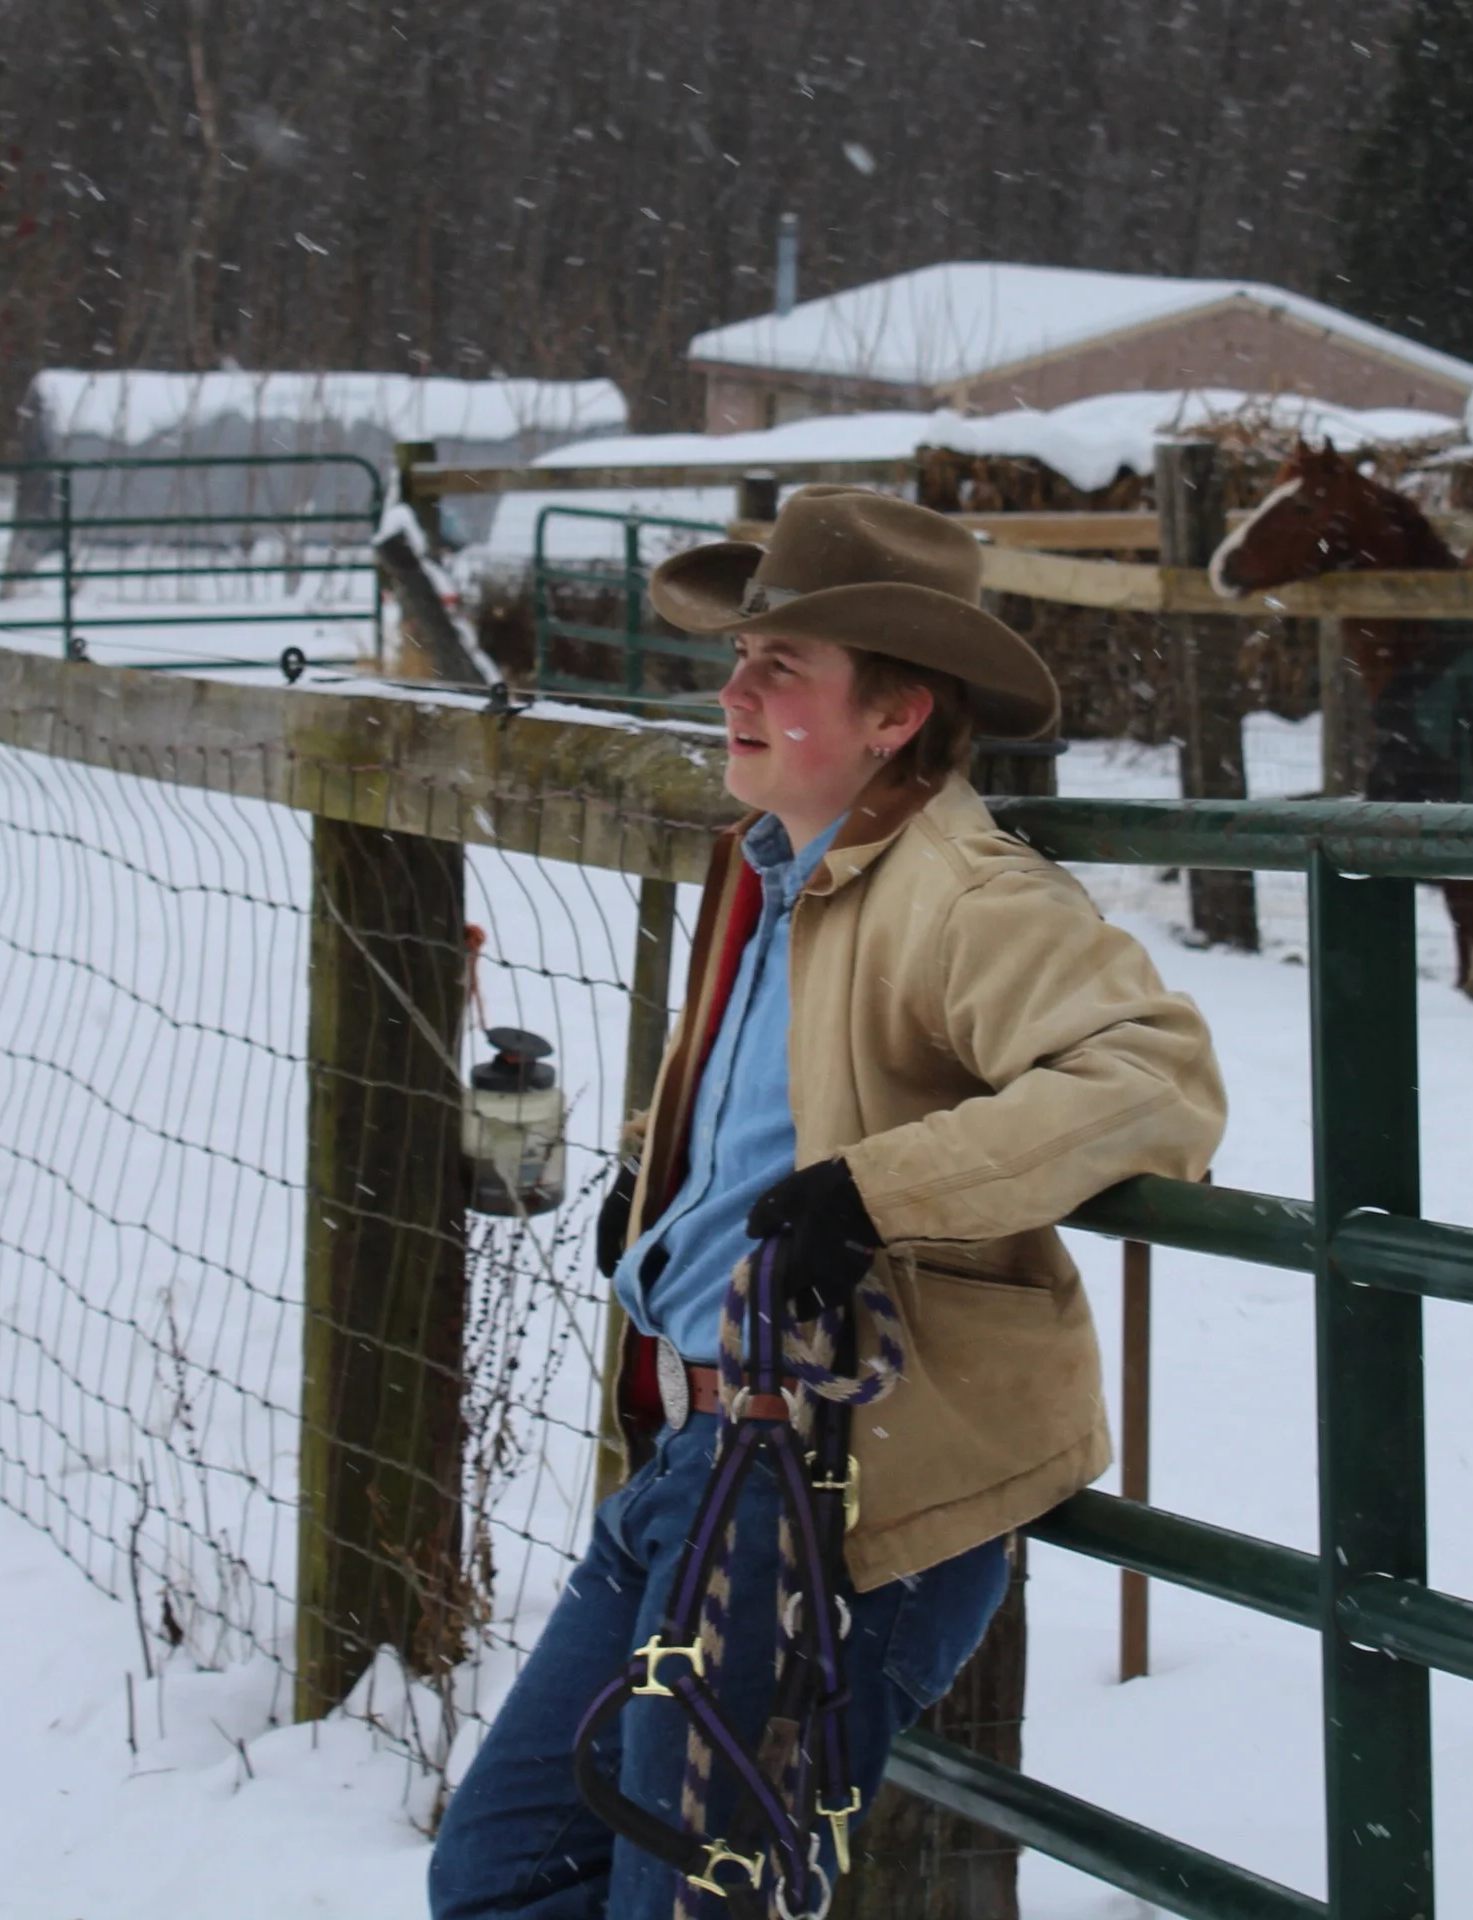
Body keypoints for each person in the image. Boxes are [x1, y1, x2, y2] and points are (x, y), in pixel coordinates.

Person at [428, 487, 1227, 1919]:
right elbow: (793, 1101)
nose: (731, 693)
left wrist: (872, 1193)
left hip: (836, 1491)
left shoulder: (967, 894)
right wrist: (660, 1190)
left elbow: (1155, 1080)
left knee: (692, 1900)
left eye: (780, 668)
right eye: (739, 659)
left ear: (895, 716)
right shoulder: (774, 871)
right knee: (500, 1875)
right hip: (700, 1459)